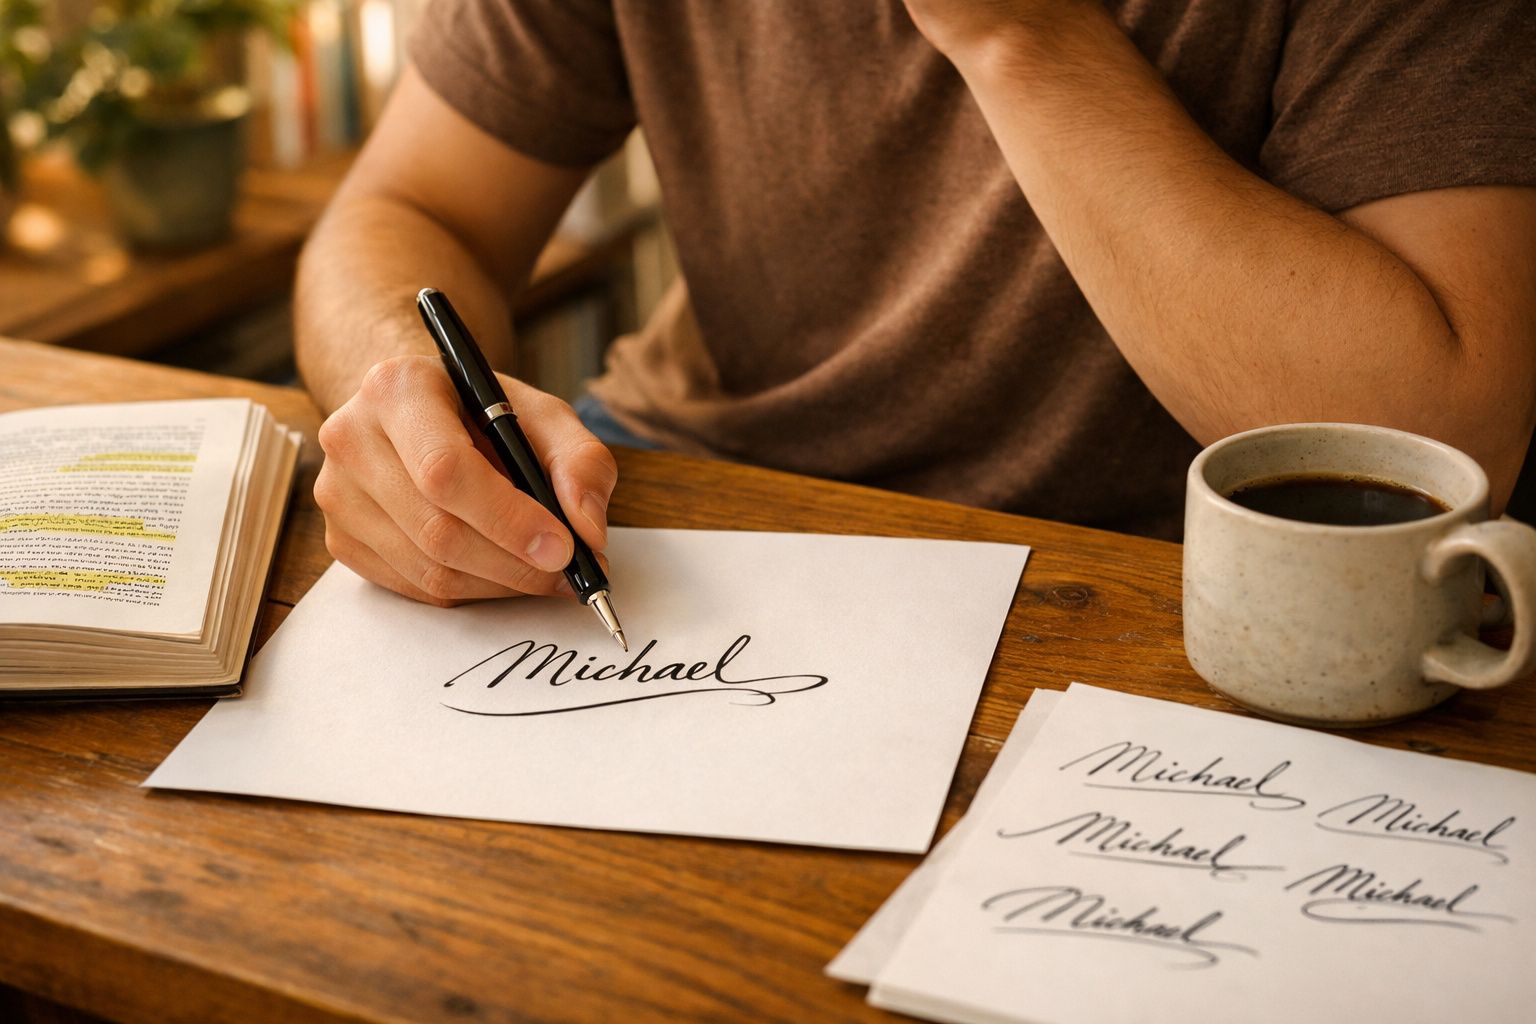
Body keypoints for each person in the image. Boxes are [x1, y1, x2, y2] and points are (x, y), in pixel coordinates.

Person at [294, 0, 1536, 608]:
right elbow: (409, 210)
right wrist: (409, 393)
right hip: (669, 499)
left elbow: (1435, 441)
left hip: (1145, 574)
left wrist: (1012, 31)